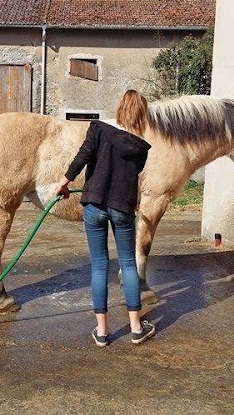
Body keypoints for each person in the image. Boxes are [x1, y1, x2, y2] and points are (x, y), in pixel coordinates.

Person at [56, 90, 155, 347]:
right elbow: (136, 170)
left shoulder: (98, 129)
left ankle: (102, 332)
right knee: (129, 265)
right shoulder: (141, 146)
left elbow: (83, 157)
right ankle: (135, 328)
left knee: (99, 266)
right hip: (122, 208)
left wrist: (64, 183)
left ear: (120, 107)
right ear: (141, 114)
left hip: (94, 205)